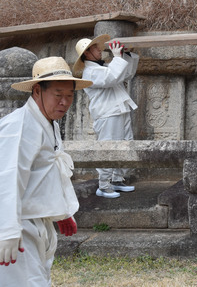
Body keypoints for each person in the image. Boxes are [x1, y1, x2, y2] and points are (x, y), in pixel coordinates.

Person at [0, 56, 92, 284]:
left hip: (38, 223)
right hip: (18, 224)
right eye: (58, 95)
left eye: (69, 96)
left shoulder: (48, 122)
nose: (64, 102)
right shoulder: (18, 126)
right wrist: (8, 231)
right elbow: (8, 178)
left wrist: (61, 211)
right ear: (37, 91)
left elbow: (50, 169)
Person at [74, 34, 139, 199]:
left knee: (125, 145)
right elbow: (112, 77)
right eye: (95, 48)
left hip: (119, 110)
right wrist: (117, 57)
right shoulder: (90, 72)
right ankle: (103, 185)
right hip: (107, 113)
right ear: (87, 53)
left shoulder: (103, 67)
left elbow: (126, 74)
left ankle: (117, 179)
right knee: (108, 148)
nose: (100, 49)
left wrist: (125, 55)